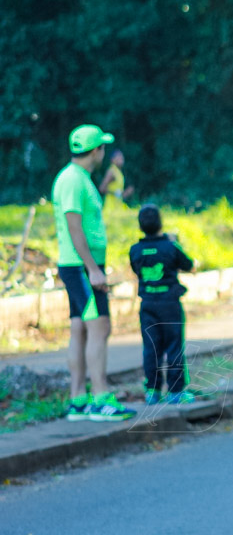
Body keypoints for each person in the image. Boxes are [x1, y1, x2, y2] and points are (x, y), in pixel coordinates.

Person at [53, 124, 137, 422]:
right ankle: (101, 398)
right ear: (96, 151)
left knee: (80, 328)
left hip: (77, 265)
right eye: (102, 147)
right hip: (81, 266)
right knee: (99, 327)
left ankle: (78, 400)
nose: (103, 151)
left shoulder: (76, 178)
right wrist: (93, 269)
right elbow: (74, 226)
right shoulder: (74, 181)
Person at [129, 205, 196, 405]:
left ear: (140, 226)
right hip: (169, 304)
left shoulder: (135, 250)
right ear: (161, 223)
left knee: (151, 347)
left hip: (147, 304)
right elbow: (189, 265)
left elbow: (135, 269)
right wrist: (174, 243)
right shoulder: (170, 247)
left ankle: (152, 391)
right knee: (174, 346)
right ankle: (175, 392)